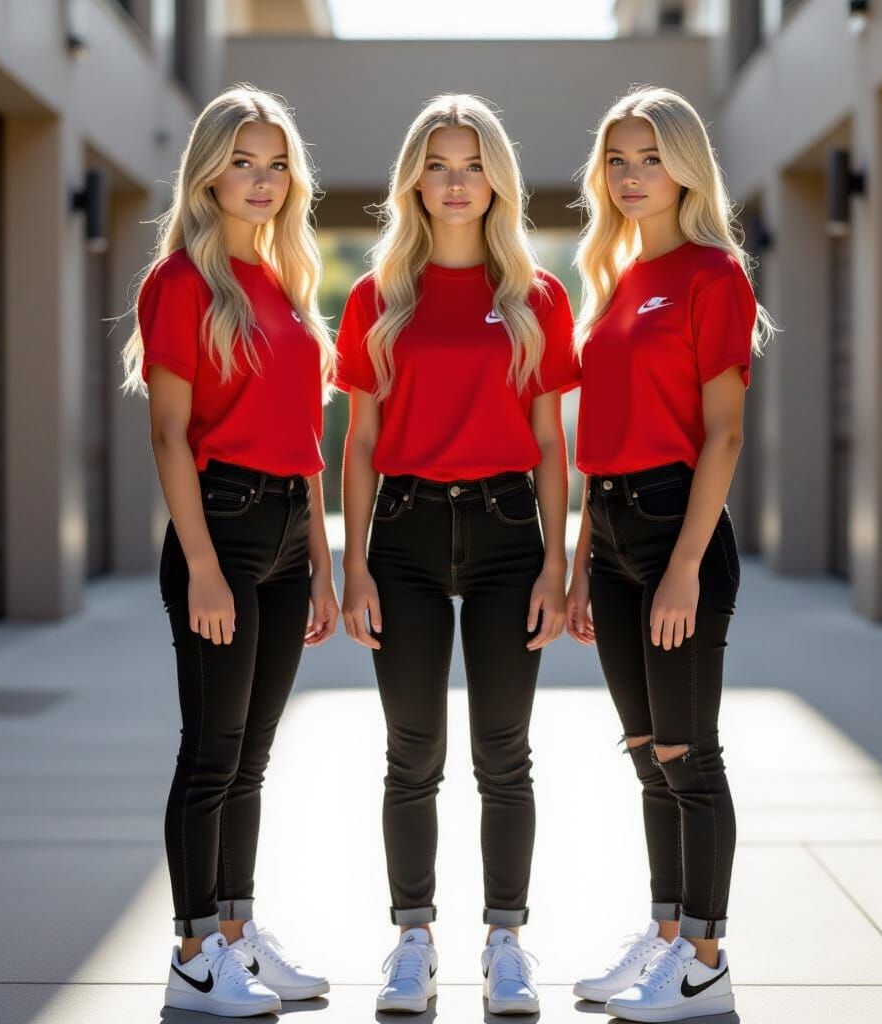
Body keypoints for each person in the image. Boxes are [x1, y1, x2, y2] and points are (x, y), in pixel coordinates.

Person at [336, 94, 578, 1015]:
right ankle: (411, 938)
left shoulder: (535, 299)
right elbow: (358, 443)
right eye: (437, 165)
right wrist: (352, 562)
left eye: (471, 165)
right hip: (399, 537)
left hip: (507, 539)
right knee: (411, 751)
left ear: (496, 182)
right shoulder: (376, 297)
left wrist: (557, 563)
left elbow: (552, 445)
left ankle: (507, 941)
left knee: (504, 751)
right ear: (414, 180)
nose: (455, 182)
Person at [122, 84, 338, 1018]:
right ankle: (193, 953)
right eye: (242, 162)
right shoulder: (180, 282)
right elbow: (170, 435)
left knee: (251, 758)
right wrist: (203, 565)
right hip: (221, 524)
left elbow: (306, 434)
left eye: (276, 163)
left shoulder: (289, 283)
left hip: (289, 529)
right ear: (207, 172)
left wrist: (323, 562)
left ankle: (239, 938)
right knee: (210, 754)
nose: (261, 180)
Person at [566, 85, 774, 1022]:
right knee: (649, 752)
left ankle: (705, 961)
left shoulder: (714, 274)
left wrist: (685, 563)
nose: (632, 175)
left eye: (650, 156)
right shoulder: (612, 278)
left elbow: (723, 434)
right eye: (618, 159)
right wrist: (579, 561)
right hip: (609, 532)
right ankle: (663, 939)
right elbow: (597, 435)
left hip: (674, 527)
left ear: (686, 165)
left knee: (691, 756)